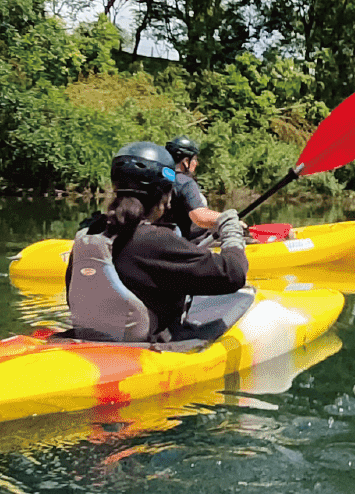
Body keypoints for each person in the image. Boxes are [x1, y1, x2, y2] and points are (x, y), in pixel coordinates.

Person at [65, 141, 249, 342]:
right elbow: (233, 274)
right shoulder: (155, 241)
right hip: (142, 349)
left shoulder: (89, 233)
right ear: (165, 196)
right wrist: (230, 229)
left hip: (90, 340)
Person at [162, 135, 221, 240]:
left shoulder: (160, 178)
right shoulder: (186, 183)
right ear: (185, 161)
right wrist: (228, 218)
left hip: (156, 239)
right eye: (194, 159)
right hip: (178, 244)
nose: (196, 163)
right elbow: (200, 217)